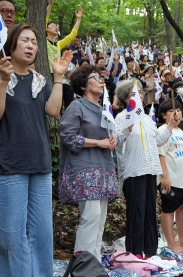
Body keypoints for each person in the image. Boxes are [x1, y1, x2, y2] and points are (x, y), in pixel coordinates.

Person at [0, 25, 72, 275]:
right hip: (6, 166)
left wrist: (58, 77)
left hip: (39, 165)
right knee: (9, 237)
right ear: (11, 45)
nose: (31, 45)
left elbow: (53, 110)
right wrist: (2, 80)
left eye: (34, 41)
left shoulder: (40, 81)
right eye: (25, 40)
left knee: (41, 235)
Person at [58, 65, 119, 260]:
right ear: (83, 86)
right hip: (85, 169)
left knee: (100, 219)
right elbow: (67, 136)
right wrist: (98, 142)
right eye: (95, 77)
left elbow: (107, 136)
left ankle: (94, 263)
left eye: (101, 77)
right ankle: (82, 266)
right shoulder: (76, 106)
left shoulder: (103, 110)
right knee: (90, 218)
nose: (101, 80)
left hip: (103, 168)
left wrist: (112, 138)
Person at [114, 80, 179, 257]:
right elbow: (116, 142)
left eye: (141, 93)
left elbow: (158, 141)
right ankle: (134, 252)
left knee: (150, 211)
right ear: (125, 99)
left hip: (151, 170)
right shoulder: (121, 118)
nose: (139, 96)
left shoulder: (148, 119)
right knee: (137, 213)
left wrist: (171, 125)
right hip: (134, 172)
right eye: (134, 94)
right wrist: (128, 127)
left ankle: (150, 251)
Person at [157, 99, 183, 253]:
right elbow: (160, 155)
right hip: (172, 179)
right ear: (164, 115)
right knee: (168, 210)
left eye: (179, 111)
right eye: (172, 112)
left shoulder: (181, 131)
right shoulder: (163, 131)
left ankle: (182, 240)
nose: (177, 114)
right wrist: (164, 177)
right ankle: (171, 243)